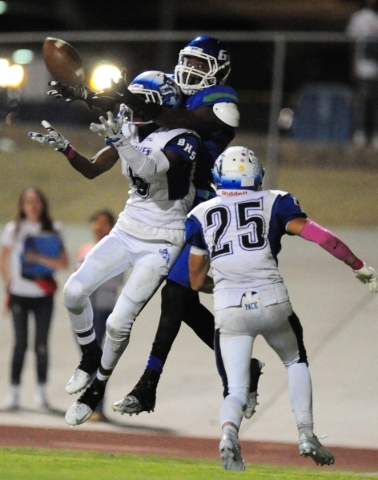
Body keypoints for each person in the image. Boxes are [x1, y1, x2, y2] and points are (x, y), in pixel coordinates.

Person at [47, 36, 264, 418]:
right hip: (163, 208)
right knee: (184, 304)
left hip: (202, 205)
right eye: (188, 62)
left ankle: (151, 384)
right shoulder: (169, 91)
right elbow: (139, 105)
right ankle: (241, 369)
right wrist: (85, 94)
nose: (190, 71)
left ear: (217, 71)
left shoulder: (221, 102)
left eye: (200, 66)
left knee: (175, 300)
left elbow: (176, 117)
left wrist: (125, 100)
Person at [185, 146, 378, 471]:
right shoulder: (274, 201)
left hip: (230, 307)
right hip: (272, 299)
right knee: (295, 360)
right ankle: (305, 434)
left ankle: (229, 435)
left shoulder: (200, 214)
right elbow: (321, 237)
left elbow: (195, 280)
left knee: (235, 388)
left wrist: (227, 284)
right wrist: (359, 266)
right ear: (256, 176)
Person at [29, 70, 201, 425]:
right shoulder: (132, 128)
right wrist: (66, 148)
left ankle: (96, 389)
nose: (130, 109)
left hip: (164, 239)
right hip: (127, 229)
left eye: (138, 103)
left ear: (160, 108)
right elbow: (93, 169)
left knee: (120, 321)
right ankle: (90, 356)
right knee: (74, 291)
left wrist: (121, 142)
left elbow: (152, 168)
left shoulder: (185, 139)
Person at [0, 187, 69, 411]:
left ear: (43, 204)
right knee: (20, 344)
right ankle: (14, 392)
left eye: (37, 201)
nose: (33, 205)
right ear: (22, 205)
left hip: (42, 295)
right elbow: (4, 259)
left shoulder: (54, 229)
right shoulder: (14, 229)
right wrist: (8, 285)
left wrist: (39, 258)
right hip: (20, 295)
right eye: (28, 201)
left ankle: (41, 392)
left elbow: (63, 263)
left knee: (41, 345)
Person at [75, 209, 124, 422]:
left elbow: (116, 281)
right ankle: (88, 403)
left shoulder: (117, 251)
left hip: (103, 309)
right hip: (83, 310)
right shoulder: (85, 249)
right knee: (87, 358)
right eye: (97, 222)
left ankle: (95, 406)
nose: (100, 227)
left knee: (98, 358)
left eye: (105, 223)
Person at [346, 0, 378, 149]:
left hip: (375, 70)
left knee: (374, 104)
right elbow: (354, 42)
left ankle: (375, 135)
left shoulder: (376, 18)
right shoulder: (358, 18)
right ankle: (359, 134)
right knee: (362, 102)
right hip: (363, 68)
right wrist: (354, 66)